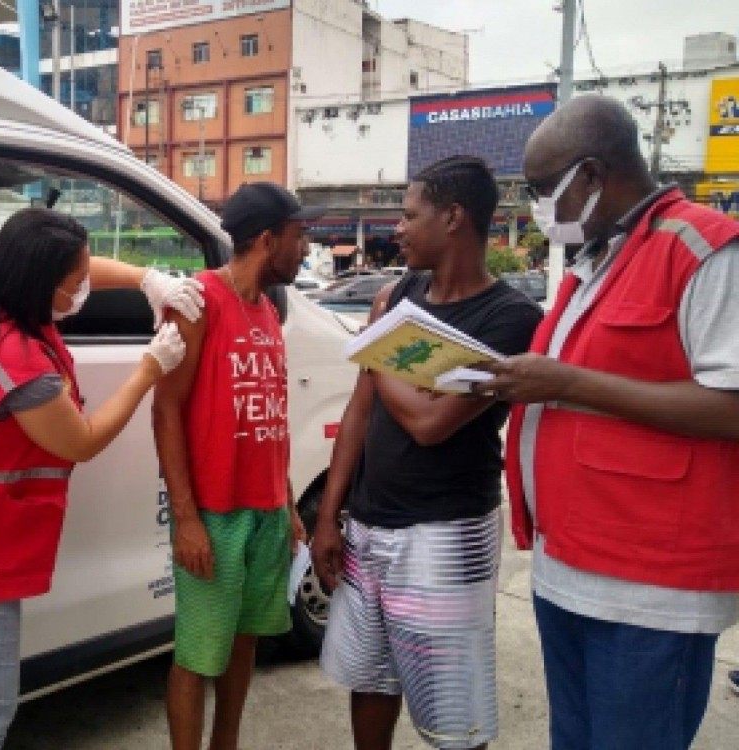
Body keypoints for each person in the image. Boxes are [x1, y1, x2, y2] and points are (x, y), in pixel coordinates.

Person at [480, 95, 739, 750]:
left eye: (545, 191)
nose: (541, 210)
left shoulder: (704, 250)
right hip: (568, 568)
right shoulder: (594, 261)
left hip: (650, 588)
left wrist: (566, 383)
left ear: (591, 176)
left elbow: (731, 406)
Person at [0, 207, 200, 750]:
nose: (85, 289)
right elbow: (80, 440)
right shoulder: (19, 365)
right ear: (42, 284)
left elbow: (82, 271)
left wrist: (144, 278)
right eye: (75, 284)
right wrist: (150, 368)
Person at [312, 156, 543, 750]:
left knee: (453, 707)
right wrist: (328, 515)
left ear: (454, 219)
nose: (399, 228)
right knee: (369, 677)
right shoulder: (397, 295)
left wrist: (376, 347)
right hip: (369, 523)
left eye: (411, 215)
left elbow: (431, 424)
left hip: (446, 535)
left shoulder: (511, 318)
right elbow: (362, 410)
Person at [153, 182, 311, 750]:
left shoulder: (268, 309)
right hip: (215, 515)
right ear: (268, 240)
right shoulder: (198, 301)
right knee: (198, 654)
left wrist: (289, 506)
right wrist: (188, 520)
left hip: (267, 511)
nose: (306, 250)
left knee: (245, 643)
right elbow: (166, 411)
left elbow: (268, 418)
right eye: (300, 238)